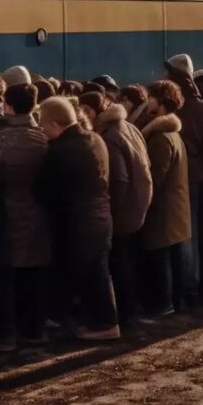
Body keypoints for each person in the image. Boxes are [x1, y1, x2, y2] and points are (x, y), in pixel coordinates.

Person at [35, 97, 120, 340]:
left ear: (54, 124)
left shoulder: (59, 151)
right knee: (99, 271)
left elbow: (41, 190)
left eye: (42, 126)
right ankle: (105, 322)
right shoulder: (95, 139)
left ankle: (103, 324)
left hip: (76, 224)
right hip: (102, 218)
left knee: (82, 275)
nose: (41, 130)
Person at [0, 83, 50, 348]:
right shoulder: (44, 138)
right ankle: (35, 329)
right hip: (38, 214)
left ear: (7, 105)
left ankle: (6, 332)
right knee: (36, 275)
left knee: (5, 276)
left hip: (6, 215)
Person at [79, 92, 152, 326]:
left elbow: (119, 179)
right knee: (127, 261)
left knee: (120, 264)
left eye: (86, 110)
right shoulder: (127, 127)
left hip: (124, 211)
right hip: (138, 204)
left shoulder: (109, 136)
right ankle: (130, 310)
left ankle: (125, 312)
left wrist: (112, 211)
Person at [163, 54, 203, 302]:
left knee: (188, 230)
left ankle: (189, 283)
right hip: (202, 172)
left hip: (182, 171)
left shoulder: (176, 108)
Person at [136, 81, 191, 315]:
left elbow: (155, 176)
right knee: (174, 257)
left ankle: (163, 303)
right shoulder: (173, 133)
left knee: (161, 257)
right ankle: (177, 301)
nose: (147, 101)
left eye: (151, 97)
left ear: (161, 101)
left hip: (163, 208)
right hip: (176, 207)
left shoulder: (160, 138)